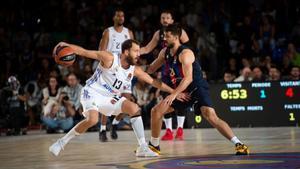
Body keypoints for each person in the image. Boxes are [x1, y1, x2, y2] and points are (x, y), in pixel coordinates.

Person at [49, 39, 187, 157]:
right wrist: (66, 46)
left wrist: (174, 92)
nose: (139, 54)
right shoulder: (109, 58)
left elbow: (154, 82)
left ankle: (143, 147)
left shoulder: (134, 70)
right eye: (136, 51)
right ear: (126, 52)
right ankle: (61, 142)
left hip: (109, 97)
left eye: (139, 51)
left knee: (134, 108)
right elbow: (84, 52)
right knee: (92, 119)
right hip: (92, 92)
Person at [147, 24, 250, 155]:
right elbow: (150, 69)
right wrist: (134, 66)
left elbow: (188, 78)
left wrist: (173, 94)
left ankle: (239, 144)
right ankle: (154, 146)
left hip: (197, 87)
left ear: (177, 37)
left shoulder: (185, 53)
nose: (164, 39)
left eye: (167, 36)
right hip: (183, 91)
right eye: (164, 36)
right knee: (156, 111)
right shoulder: (164, 53)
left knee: (210, 115)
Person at [141, 10, 190, 141]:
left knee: (180, 97)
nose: (165, 20)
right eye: (163, 18)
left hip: (179, 68)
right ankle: (168, 130)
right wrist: (135, 51)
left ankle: (180, 129)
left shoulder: (180, 32)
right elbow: (146, 49)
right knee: (165, 98)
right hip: (166, 69)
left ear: (172, 20)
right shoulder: (158, 34)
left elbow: (188, 48)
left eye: (168, 18)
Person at [97, 8, 134, 142]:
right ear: (114, 18)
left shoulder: (128, 32)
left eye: (123, 16)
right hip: (111, 70)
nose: (121, 18)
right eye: (118, 16)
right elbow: (101, 51)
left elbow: (134, 51)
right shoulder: (108, 32)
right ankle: (102, 129)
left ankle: (114, 125)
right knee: (108, 101)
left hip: (125, 71)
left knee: (127, 101)